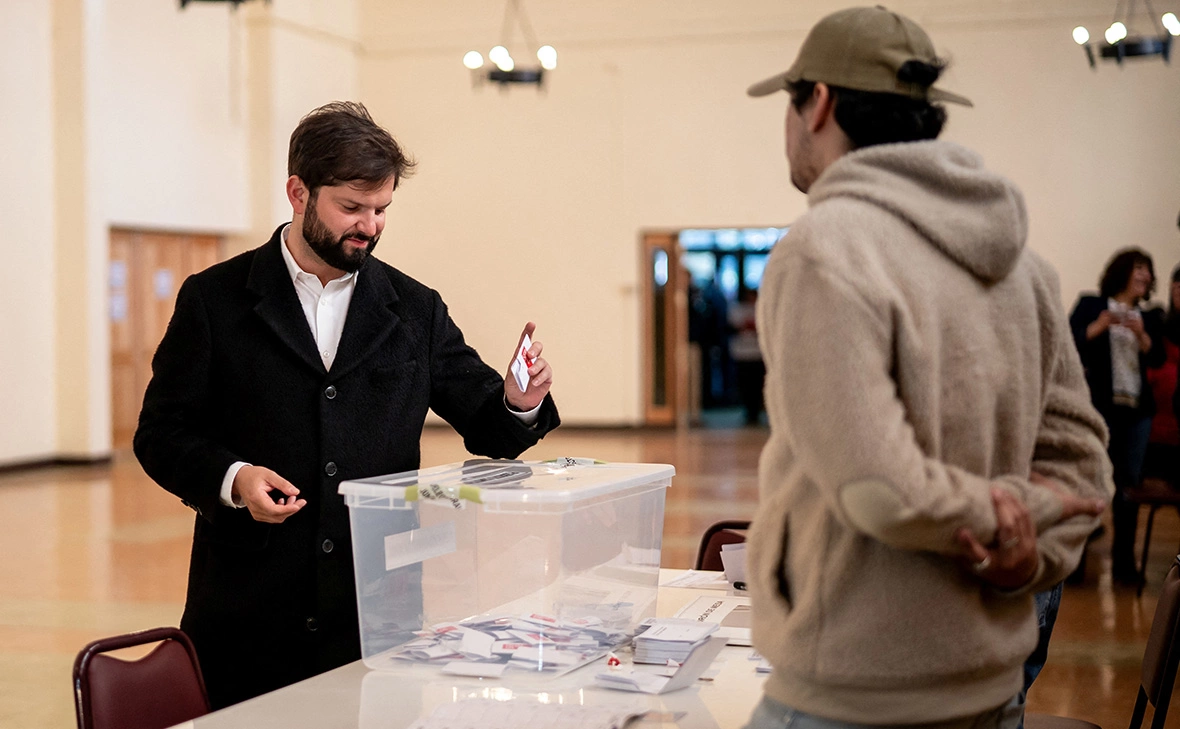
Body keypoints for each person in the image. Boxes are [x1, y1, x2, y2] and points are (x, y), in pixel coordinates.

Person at [741, 7, 1112, 729]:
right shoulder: (1026, 268)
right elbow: (1085, 479)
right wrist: (1022, 545)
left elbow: (881, 489)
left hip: (852, 695)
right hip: (992, 687)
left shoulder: (824, 248)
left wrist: (996, 516)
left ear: (817, 102)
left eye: (789, 102)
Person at [133, 101, 560, 709]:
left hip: (377, 611)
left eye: (382, 209)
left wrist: (519, 401)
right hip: (249, 612)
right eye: (352, 207)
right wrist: (234, 478)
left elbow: (490, 424)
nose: (370, 225)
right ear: (298, 193)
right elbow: (162, 432)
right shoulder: (214, 301)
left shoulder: (415, 309)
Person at [1069, 248, 1165, 585]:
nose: (1146, 276)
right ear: (1123, 271)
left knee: (1129, 491)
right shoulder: (1091, 304)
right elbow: (1070, 346)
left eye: (1149, 271)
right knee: (1090, 483)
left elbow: (1157, 359)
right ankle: (1075, 564)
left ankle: (1124, 564)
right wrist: (1099, 326)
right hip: (1100, 411)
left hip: (1137, 415)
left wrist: (1140, 334)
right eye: (1140, 268)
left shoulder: (1151, 315)